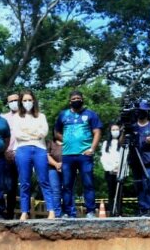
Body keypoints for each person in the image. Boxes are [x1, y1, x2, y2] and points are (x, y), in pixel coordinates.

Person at [55, 90, 103, 218]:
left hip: (84, 155)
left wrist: (92, 148)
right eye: (74, 98)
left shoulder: (91, 114)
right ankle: (68, 212)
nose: (76, 100)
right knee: (67, 184)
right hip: (67, 155)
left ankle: (90, 211)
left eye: (78, 98)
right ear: (70, 101)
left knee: (88, 183)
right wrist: (66, 139)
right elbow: (57, 132)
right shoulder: (63, 115)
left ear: (82, 99)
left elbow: (97, 132)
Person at [11, 89, 56, 220]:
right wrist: (33, 134)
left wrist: (30, 134)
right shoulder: (17, 117)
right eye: (24, 100)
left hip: (40, 149)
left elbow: (44, 132)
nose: (27, 102)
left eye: (29, 100)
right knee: (24, 182)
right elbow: (18, 134)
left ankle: (51, 210)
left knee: (44, 180)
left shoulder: (41, 116)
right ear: (21, 102)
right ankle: (25, 211)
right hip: (22, 149)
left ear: (34, 101)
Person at [125, 101, 150, 216]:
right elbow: (123, 142)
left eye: (142, 111)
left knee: (148, 184)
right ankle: (142, 208)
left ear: (147, 112)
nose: (140, 113)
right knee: (139, 185)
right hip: (135, 159)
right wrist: (124, 130)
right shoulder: (132, 126)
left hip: (149, 160)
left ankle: (149, 208)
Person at [1, 93, 21, 219]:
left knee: (24, 184)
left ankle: (25, 212)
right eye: (11, 101)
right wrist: (4, 152)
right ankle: (8, 213)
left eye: (16, 100)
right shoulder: (2, 118)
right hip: (6, 155)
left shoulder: (28, 116)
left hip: (22, 154)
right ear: (7, 103)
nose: (14, 102)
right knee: (9, 186)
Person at [100, 123, 126, 216]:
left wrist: (119, 167)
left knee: (120, 193)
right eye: (113, 130)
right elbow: (104, 157)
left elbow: (124, 156)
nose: (115, 131)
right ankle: (112, 212)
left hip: (120, 171)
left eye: (117, 129)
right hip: (109, 171)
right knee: (111, 192)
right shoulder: (106, 144)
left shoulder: (123, 143)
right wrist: (111, 168)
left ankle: (119, 212)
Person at [47, 137, 65, 217]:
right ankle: (57, 214)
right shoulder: (50, 142)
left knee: (68, 190)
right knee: (55, 191)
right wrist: (56, 164)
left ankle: (69, 212)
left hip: (67, 167)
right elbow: (47, 156)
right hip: (52, 169)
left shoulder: (68, 141)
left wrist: (63, 164)